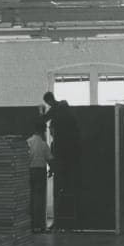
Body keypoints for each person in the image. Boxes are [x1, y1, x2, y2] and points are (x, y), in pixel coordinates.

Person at [40, 92, 81, 228]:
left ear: (49, 101)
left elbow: (44, 119)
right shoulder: (66, 109)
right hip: (72, 152)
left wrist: (39, 116)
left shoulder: (56, 110)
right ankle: (69, 221)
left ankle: (58, 220)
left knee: (59, 188)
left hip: (62, 153)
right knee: (70, 187)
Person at [26, 121, 54, 233]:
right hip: (40, 171)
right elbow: (50, 159)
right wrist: (52, 170)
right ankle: (41, 225)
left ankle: (31, 226)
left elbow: (24, 158)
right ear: (43, 130)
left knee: (30, 198)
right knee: (40, 199)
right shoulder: (43, 144)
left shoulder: (28, 142)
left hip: (29, 171)